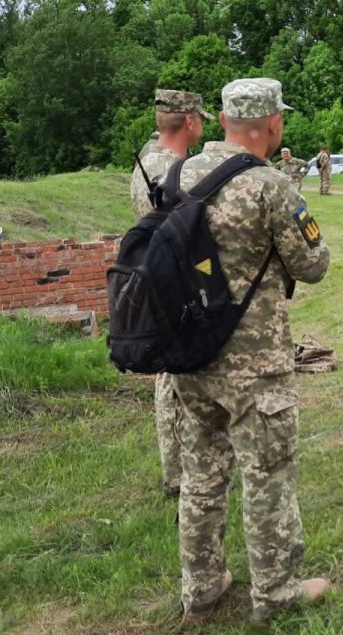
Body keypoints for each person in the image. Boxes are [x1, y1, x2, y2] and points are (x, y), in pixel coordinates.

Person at [172, 77, 331, 627]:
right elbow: (313, 265)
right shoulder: (269, 186)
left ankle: (201, 589)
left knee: (201, 477)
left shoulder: (177, 174)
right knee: (268, 475)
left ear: (221, 121)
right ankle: (277, 593)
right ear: (274, 124)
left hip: (188, 355)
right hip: (253, 362)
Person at [129, 88, 212, 499]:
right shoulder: (169, 169)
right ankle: (180, 474)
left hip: (155, 275)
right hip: (172, 283)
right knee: (175, 379)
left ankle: (178, 470)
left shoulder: (149, 159)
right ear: (191, 121)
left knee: (171, 377)